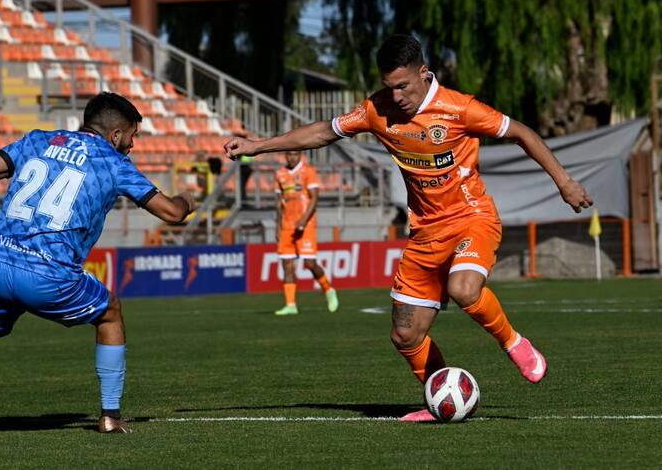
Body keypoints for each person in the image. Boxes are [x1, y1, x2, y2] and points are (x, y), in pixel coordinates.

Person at [225, 34, 593, 421]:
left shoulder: (459, 108)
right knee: (404, 334)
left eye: (403, 86)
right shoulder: (376, 110)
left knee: (463, 288)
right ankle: (440, 398)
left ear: (424, 72)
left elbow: (522, 132)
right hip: (424, 234)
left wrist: (565, 182)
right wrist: (258, 146)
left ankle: (514, 342)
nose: (397, 96)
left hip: (472, 218)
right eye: (390, 87)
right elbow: (322, 132)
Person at [0, 92, 195, 438]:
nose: (132, 144)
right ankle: (110, 415)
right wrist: (188, 198)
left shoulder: (36, 140)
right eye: (132, 135)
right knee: (110, 311)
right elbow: (171, 213)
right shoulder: (113, 162)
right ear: (115, 135)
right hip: (49, 277)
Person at [273, 150, 338, 315]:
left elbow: (315, 198)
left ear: (300, 155)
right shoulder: (280, 173)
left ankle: (328, 290)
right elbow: (279, 203)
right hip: (286, 226)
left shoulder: (308, 171)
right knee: (287, 265)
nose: (291, 157)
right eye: (289, 154)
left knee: (309, 263)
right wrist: (278, 226)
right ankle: (290, 305)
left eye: (295, 154)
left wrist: (303, 219)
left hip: (306, 224)